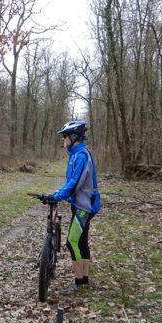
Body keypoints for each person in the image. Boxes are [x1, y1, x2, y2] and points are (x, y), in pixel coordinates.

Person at [53, 121, 101, 292]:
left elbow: (74, 184)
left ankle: (79, 282)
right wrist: (59, 192)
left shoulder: (81, 156)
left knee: (72, 242)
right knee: (81, 242)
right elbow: (70, 182)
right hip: (83, 204)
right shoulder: (77, 154)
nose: (63, 140)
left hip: (83, 206)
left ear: (73, 137)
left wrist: (57, 196)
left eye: (64, 136)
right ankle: (84, 280)